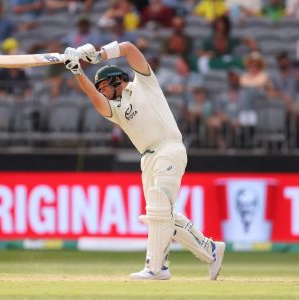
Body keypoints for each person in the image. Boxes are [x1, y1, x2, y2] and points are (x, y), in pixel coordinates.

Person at [62, 41, 225, 280]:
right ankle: (210, 249)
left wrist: (98, 55)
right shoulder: (115, 109)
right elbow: (93, 98)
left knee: (159, 207)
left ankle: (155, 268)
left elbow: (128, 47)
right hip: (148, 157)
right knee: (160, 215)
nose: (101, 91)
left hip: (169, 147)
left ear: (116, 79)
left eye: (103, 86)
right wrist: (77, 71)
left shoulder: (144, 84)